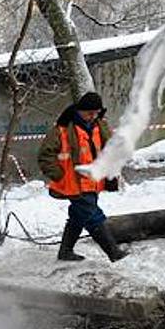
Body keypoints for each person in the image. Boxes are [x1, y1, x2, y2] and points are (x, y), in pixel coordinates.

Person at [38, 92, 129, 263]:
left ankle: (65, 252)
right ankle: (113, 252)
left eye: (96, 113)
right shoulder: (63, 129)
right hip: (73, 183)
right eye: (89, 113)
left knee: (79, 216)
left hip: (94, 181)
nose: (92, 116)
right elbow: (45, 155)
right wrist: (58, 174)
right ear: (79, 110)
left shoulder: (100, 126)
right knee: (93, 215)